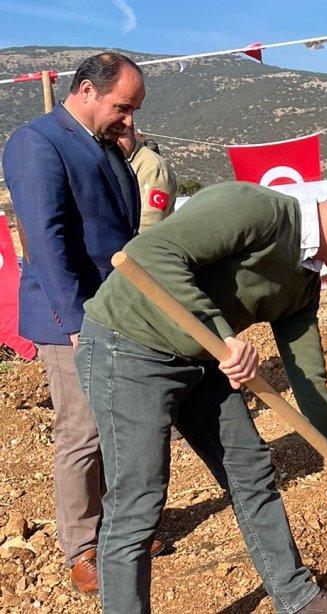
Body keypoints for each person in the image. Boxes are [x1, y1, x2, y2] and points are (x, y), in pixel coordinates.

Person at [77, 181, 327, 613]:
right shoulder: (255, 209)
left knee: (251, 471)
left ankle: (298, 599)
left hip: (202, 358)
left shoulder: (304, 282)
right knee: (139, 499)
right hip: (129, 346)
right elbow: (149, 255)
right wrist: (224, 335)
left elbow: (308, 375)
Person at [1, 51, 164, 593]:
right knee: (83, 430)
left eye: (134, 110)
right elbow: (44, 239)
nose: (129, 120)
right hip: (68, 314)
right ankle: (83, 547)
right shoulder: (35, 142)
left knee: (117, 422)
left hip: (114, 308)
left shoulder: (103, 145)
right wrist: (75, 319)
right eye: (122, 107)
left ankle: (119, 530)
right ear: (86, 91)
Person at [117, 127, 177, 232]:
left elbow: (148, 226)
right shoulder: (116, 160)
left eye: (121, 134)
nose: (116, 141)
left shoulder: (153, 167)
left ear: (132, 133)